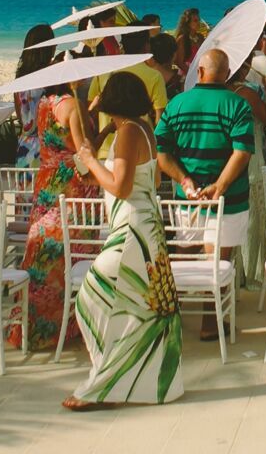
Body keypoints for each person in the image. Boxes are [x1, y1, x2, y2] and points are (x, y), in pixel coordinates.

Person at [64, 73, 184, 411]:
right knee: (136, 307)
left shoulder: (130, 130)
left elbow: (121, 186)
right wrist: (97, 142)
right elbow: (146, 177)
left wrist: (90, 161)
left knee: (90, 297)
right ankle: (119, 379)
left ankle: (107, 382)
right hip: (144, 225)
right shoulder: (140, 127)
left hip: (132, 229)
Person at [154, 48, 256, 340]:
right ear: (226, 74)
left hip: (187, 198)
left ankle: (169, 319)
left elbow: (162, 152)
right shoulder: (236, 105)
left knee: (185, 256)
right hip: (228, 199)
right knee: (219, 262)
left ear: (199, 72)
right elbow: (242, 151)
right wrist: (220, 186)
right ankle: (211, 324)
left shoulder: (176, 104)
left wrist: (184, 180)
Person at [8, 84, 99, 352]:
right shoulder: (72, 106)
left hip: (47, 180)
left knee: (42, 248)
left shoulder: (44, 104)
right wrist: (102, 129)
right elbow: (83, 149)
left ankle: (32, 325)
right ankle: (69, 324)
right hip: (71, 184)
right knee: (73, 252)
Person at [228, 56, 266, 291]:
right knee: (253, 218)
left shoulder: (225, 94)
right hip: (251, 157)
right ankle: (252, 272)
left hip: (228, 158)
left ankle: (235, 273)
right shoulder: (246, 94)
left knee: (234, 215)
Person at [91, 27, 169, 136]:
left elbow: (91, 111)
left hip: (106, 144)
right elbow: (160, 118)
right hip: (140, 140)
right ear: (147, 46)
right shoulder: (154, 75)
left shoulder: (103, 71)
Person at [11, 24, 58, 168]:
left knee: (26, 188)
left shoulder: (20, 79)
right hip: (48, 145)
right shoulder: (53, 76)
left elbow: (20, 117)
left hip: (25, 145)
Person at [173, 8, 208, 75]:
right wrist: (192, 74)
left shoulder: (200, 37)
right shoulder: (182, 39)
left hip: (200, 72)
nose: (198, 23)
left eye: (199, 20)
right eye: (195, 21)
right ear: (187, 23)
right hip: (186, 73)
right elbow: (179, 62)